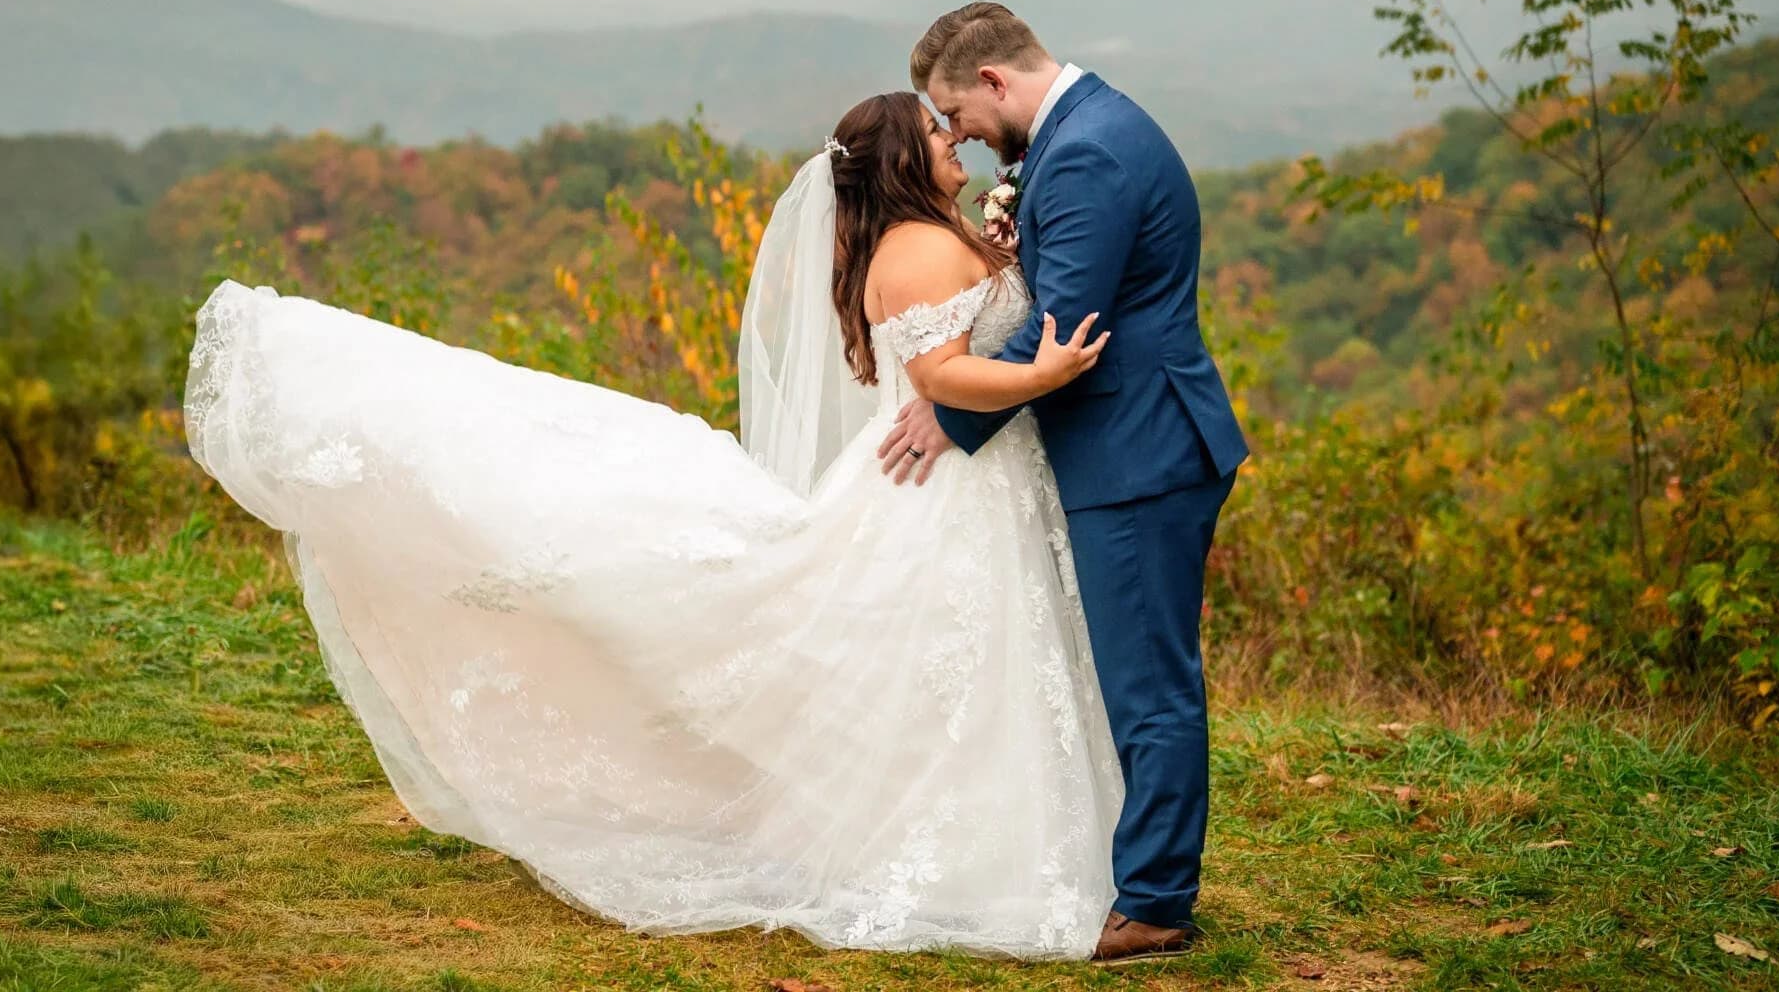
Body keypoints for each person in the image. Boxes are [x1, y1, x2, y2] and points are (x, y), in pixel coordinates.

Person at [183, 90, 1126, 960]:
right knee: (939, 663)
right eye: (934, 130)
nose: (951, 137)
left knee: (944, 667)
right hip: (937, 488)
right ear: (901, 161)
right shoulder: (920, 248)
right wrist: (1046, 375)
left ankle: (967, 838)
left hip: (962, 481)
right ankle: (957, 851)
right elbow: (941, 379)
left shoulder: (931, 231)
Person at [879, 2, 1249, 963]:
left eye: (957, 111)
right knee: (1140, 675)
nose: (956, 133)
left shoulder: (1085, 154)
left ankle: (1157, 903)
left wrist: (949, 408)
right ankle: (1144, 876)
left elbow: (1064, 333)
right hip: (1140, 443)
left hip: (1136, 452)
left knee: (1148, 684)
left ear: (996, 82)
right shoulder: (1094, 128)